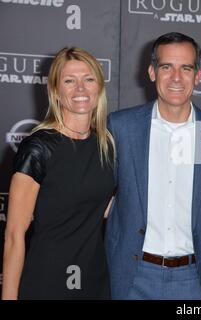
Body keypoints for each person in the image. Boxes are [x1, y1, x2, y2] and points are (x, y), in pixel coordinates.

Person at [105, 32, 201, 300]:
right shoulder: (120, 128)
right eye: (167, 67)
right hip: (133, 276)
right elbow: (92, 190)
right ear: (152, 72)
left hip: (196, 279)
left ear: (198, 76)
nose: (176, 77)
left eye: (185, 68)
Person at [2, 47, 115, 300]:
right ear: (55, 91)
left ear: (99, 87)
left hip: (95, 278)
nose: (80, 89)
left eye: (88, 79)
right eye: (69, 81)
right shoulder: (39, 148)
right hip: (49, 279)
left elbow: (106, 207)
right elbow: (14, 236)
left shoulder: (106, 145)